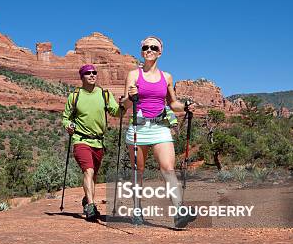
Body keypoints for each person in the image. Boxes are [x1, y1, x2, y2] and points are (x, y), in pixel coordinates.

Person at [124, 36, 196, 228]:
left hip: (160, 128)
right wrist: (130, 97)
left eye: (153, 47)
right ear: (141, 51)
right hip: (138, 127)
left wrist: (186, 106)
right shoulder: (133, 75)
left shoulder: (167, 77)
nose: (149, 50)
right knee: (138, 171)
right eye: (146, 47)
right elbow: (125, 103)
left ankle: (180, 211)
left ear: (160, 51)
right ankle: (137, 210)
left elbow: (173, 103)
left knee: (168, 168)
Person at [62, 64, 124, 221]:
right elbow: (66, 117)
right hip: (80, 140)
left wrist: (125, 104)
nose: (92, 75)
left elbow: (117, 112)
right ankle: (91, 206)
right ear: (82, 77)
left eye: (94, 73)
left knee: (94, 175)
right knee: (88, 171)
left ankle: (86, 199)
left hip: (98, 142)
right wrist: (68, 125)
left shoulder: (104, 94)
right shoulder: (75, 96)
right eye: (88, 73)